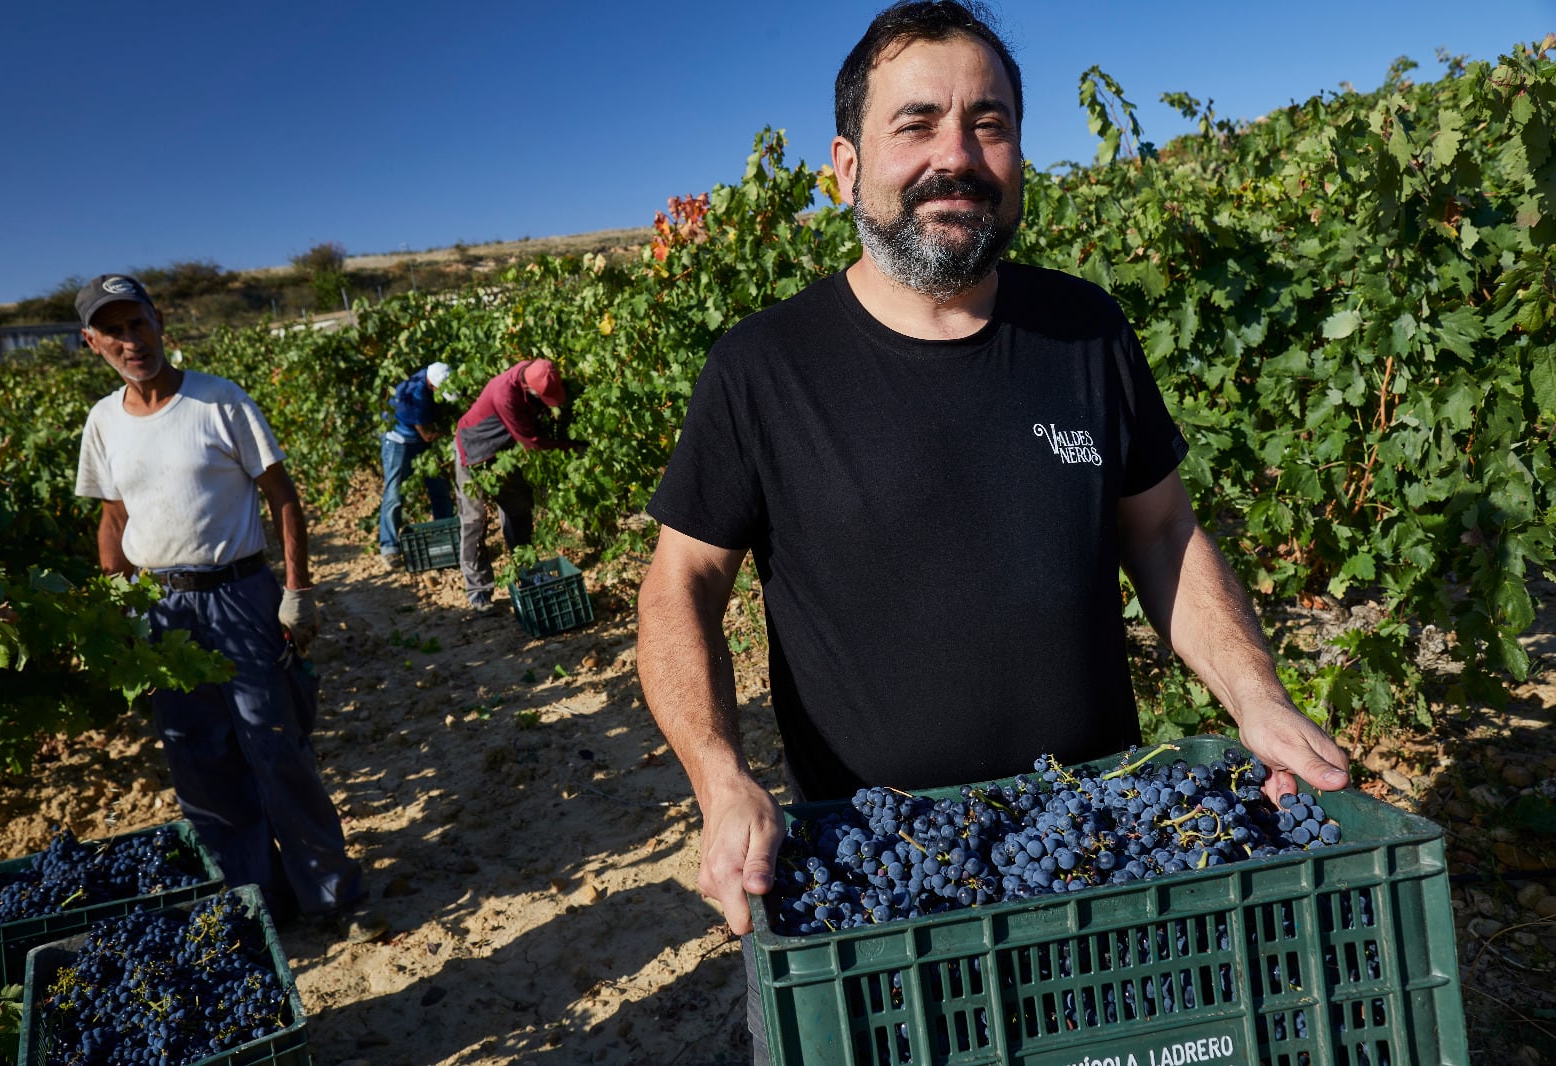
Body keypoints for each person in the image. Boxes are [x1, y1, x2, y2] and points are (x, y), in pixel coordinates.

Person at [637, 0, 1350, 957]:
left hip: (1102, 843)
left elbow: (1163, 534)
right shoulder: (763, 368)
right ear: (846, 166)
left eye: (990, 124)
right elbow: (683, 580)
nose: (959, 157)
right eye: (917, 123)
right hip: (881, 873)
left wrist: (1256, 696)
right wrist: (720, 778)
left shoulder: (1086, 331)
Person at [73, 273, 383, 941]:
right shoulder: (102, 423)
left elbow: (285, 497)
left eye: (139, 323)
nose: (132, 340)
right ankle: (258, 903)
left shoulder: (219, 401)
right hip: (162, 612)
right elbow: (112, 516)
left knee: (277, 749)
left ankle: (330, 894)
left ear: (160, 320)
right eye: (115, 330)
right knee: (202, 764)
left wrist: (297, 591)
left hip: (241, 596)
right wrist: (117, 604)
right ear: (91, 342)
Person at [452, 357, 583, 611]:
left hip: (503, 455)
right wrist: (571, 448)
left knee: (519, 510)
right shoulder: (505, 396)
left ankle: (527, 575)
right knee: (473, 521)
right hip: (474, 453)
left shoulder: (536, 370)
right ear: (529, 389)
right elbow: (532, 442)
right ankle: (478, 592)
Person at [378, 360, 456, 568]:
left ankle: (444, 540)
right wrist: (454, 432)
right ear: (432, 386)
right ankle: (389, 547)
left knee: (440, 488)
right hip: (398, 443)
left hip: (420, 441)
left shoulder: (434, 374)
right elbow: (429, 435)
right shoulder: (414, 396)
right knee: (394, 493)